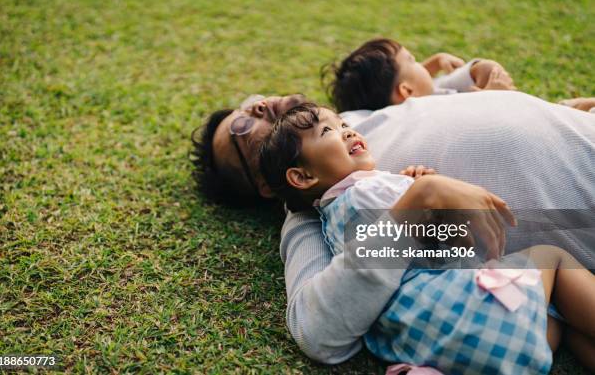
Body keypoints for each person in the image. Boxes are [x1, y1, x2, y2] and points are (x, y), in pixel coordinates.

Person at [190, 90, 595, 368]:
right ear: (272, 182)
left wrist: (557, 109)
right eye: (242, 128)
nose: (257, 106)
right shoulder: (311, 216)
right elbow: (316, 329)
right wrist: (421, 196)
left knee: (562, 321)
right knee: (554, 283)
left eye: (250, 103)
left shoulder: (355, 125)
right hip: (547, 243)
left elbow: (421, 82)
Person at [326, 38, 595, 113]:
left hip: (544, 111)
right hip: (534, 119)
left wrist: (435, 62)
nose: (424, 64)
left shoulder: (422, 95)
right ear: (406, 91)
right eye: (414, 60)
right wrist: (498, 96)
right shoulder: (434, 112)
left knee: (581, 106)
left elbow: (481, 68)